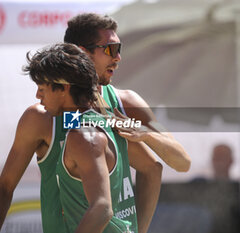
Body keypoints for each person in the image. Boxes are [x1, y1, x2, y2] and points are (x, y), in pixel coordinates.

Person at [0, 43, 133, 233]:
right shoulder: (85, 122)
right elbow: (4, 187)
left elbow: (102, 209)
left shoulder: (84, 135)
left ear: (64, 88)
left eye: (42, 88)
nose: (37, 95)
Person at [64, 13, 191, 233]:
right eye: (111, 49)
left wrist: (146, 134)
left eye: (119, 49)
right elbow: (5, 186)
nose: (119, 57)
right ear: (84, 53)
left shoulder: (125, 102)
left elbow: (181, 163)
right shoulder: (50, 109)